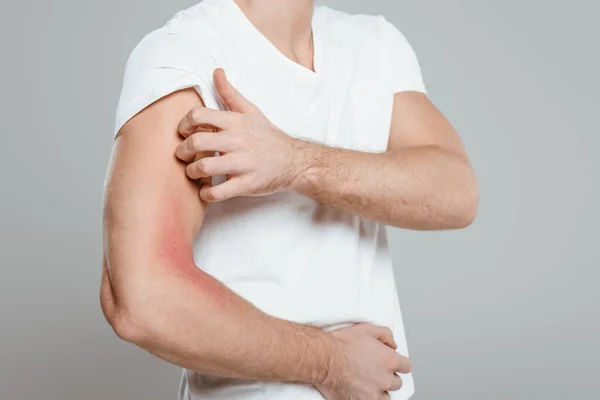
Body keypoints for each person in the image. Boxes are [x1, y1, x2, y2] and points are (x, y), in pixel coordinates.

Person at [100, 0, 478, 399]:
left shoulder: (375, 44)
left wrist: (296, 163)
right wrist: (331, 363)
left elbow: (457, 193)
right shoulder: (187, 52)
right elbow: (143, 298)